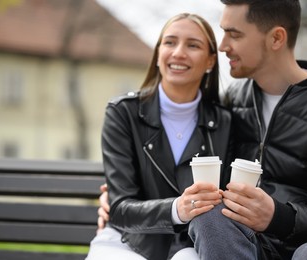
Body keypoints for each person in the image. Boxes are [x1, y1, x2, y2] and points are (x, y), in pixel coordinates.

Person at [188, 0, 307, 259]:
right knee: (209, 218)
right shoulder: (232, 101)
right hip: (246, 245)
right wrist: (123, 201)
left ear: (276, 38)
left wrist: (279, 217)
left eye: (234, 34)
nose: (223, 45)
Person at [86, 13, 232, 260]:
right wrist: (178, 208)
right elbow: (119, 209)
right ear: (158, 54)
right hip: (126, 240)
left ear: (210, 61)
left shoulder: (225, 122)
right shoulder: (123, 113)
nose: (178, 53)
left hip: (191, 244)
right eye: (170, 42)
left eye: (193, 45)